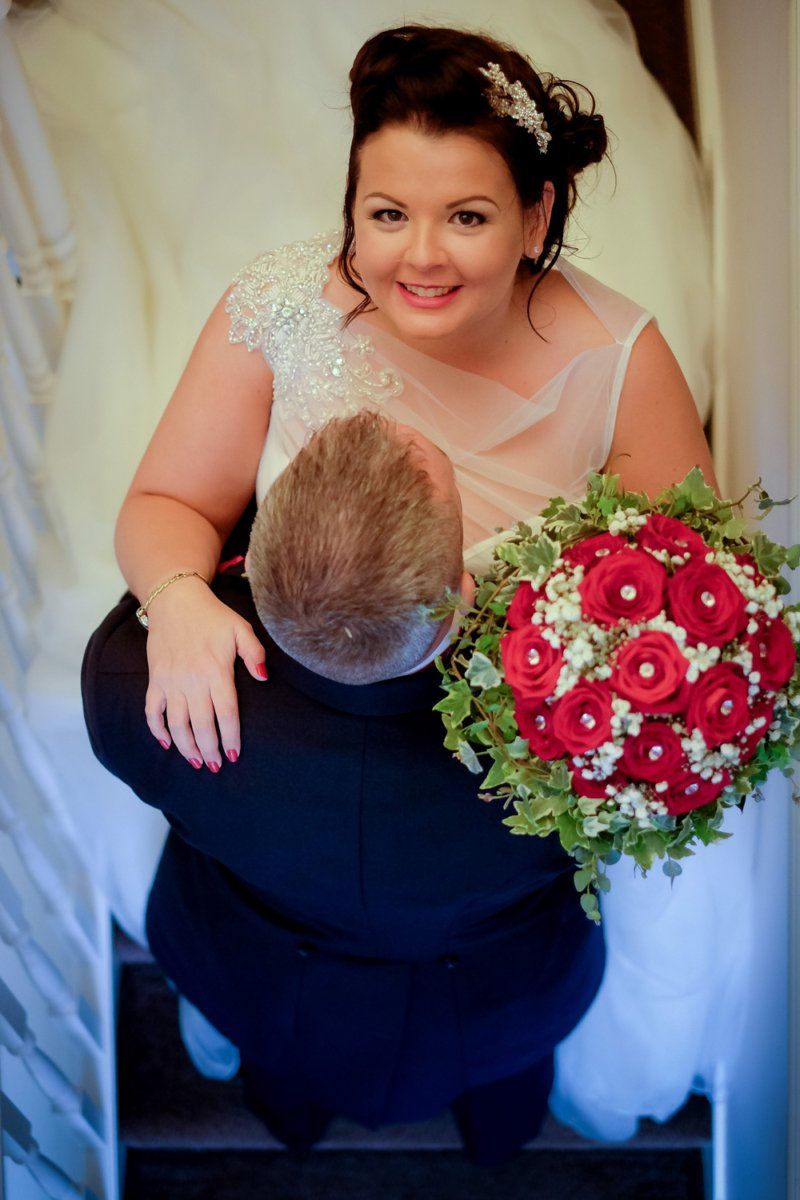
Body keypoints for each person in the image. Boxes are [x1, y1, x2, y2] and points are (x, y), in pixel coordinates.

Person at [112, 24, 718, 777]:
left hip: (501, 762)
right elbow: (167, 499)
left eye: (467, 216)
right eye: (388, 214)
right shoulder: (282, 308)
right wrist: (174, 601)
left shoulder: (622, 365)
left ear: (534, 218)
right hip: (311, 708)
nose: (421, 256)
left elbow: (674, 605)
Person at [83, 410, 606, 1166]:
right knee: (506, 1083)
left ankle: (291, 1126)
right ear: (462, 594)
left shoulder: (133, 683)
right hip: (504, 996)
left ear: (251, 561)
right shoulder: (575, 727)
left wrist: (179, 596)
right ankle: (502, 1140)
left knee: (282, 1074)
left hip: (259, 975)